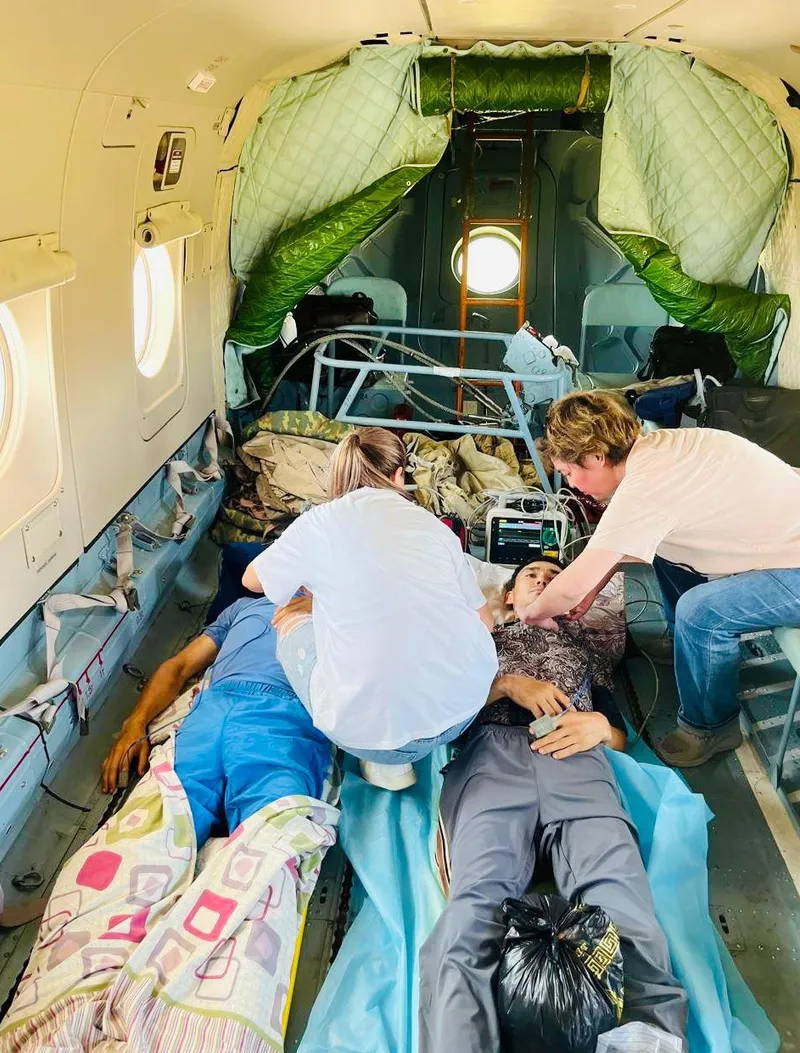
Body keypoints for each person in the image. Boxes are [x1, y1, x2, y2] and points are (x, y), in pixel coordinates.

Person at [419, 558, 687, 1053]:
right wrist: (504, 685)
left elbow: (618, 734)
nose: (543, 581)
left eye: (553, 577)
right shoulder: (478, 643)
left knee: (622, 903)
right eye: (531, 577)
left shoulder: (584, 652)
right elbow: (438, 713)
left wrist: (599, 728)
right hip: (492, 761)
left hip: (576, 759)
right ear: (508, 597)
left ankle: (646, 1038)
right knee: (474, 909)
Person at [516, 390, 800, 768]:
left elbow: (570, 586)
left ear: (596, 456)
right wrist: (595, 583)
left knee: (701, 613)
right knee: (668, 547)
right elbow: (628, 542)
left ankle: (710, 727)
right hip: (785, 536)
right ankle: (684, 640)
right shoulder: (658, 449)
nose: (572, 484)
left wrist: (531, 613)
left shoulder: (647, 487)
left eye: (569, 472)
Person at [241, 426, 498, 791]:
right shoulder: (434, 527)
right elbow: (485, 621)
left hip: (370, 737)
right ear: (399, 475)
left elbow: (253, 581)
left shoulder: (319, 522)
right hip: (463, 711)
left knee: (288, 619)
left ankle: (385, 762)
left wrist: (316, 601)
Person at [101, 597, 331, 848]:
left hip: (282, 718)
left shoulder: (344, 611)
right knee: (153, 832)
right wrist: (135, 723)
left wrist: (333, 607)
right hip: (211, 713)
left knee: (275, 838)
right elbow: (180, 666)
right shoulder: (243, 607)